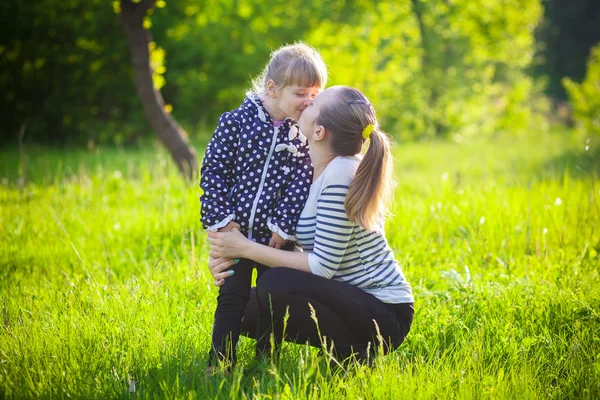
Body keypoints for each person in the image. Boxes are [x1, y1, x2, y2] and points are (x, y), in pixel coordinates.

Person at [208, 86, 414, 366]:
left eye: (315, 103)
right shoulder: (307, 168)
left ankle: (349, 355)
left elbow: (322, 266)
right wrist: (228, 254)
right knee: (242, 309)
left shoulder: (341, 173)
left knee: (275, 283)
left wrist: (245, 247)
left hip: (384, 312)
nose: (308, 102)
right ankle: (331, 352)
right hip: (347, 300)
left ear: (319, 132)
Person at [199, 42, 327, 370]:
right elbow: (213, 171)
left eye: (316, 94)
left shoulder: (302, 136)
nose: (310, 102)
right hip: (235, 233)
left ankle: (266, 361)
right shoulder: (236, 123)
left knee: (274, 298)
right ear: (272, 88)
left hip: (275, 239)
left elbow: (300, 183)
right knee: (232, 295)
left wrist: (283, 227)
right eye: (301, 93)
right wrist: (221, 222)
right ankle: (220, 361)